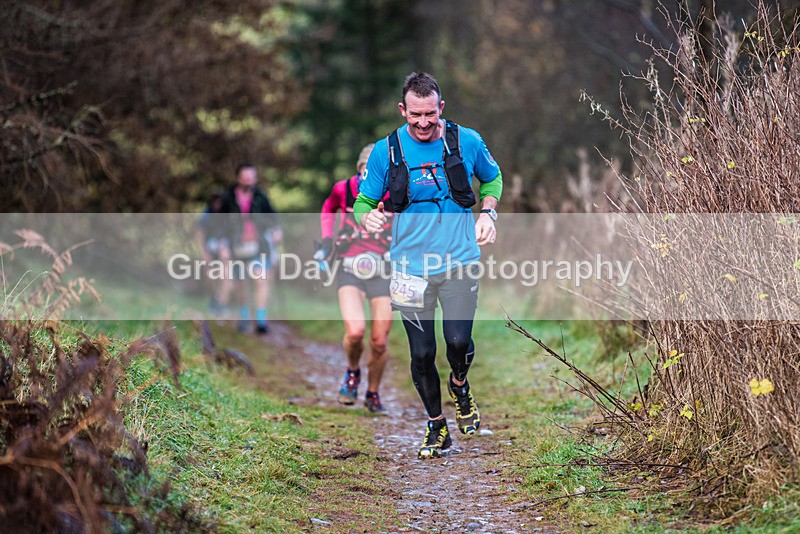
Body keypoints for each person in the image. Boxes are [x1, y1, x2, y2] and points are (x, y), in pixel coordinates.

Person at [353, 72, 502, 459]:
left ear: (441, 109)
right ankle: (437, 427)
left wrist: (488, 214)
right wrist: (366, 218)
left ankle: (460, 384)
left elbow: (493, 178)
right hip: (408, 269)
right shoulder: (387, 151)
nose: (422, 123)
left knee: (457, 342)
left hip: (459, 262)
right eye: (414, 115)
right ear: (403, 110)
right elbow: (363, 202)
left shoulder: (465, 140)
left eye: (430, 115)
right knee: (420, 353)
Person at [317, 144, 394, 414]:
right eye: (366, 171)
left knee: (380, 341)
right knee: (355, 331)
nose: (370, 178)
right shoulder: (345, 189)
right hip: (350, 267)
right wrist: (327, 240)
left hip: (384, 270)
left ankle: (372, 393)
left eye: (378, 172)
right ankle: (352, 373)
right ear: (359, 168)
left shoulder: (395, 191)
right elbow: (328, 208)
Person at [220, 162, 282, 335]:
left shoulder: (261, 197)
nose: (248, 180)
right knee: (240, 283)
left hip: (258, 247)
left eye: (251, 176)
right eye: (244, 176)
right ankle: (244, 316)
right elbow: (220, 224)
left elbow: (273, 217)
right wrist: (223, 245)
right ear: (238, 177)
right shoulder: (228, 198)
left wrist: (277, 230)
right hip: (236, 247)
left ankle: (261, 320)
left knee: (260, 279)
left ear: (255, 178)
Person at [195, 192, 232, 315]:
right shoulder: (207, 214)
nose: (218, 206)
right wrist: (204, 253)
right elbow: (200, 233)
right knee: (210, 273)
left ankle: (222, 304)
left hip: (226, 248)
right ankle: (214, 299)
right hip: (210, 247)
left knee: (226, 273)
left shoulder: (229, 214)